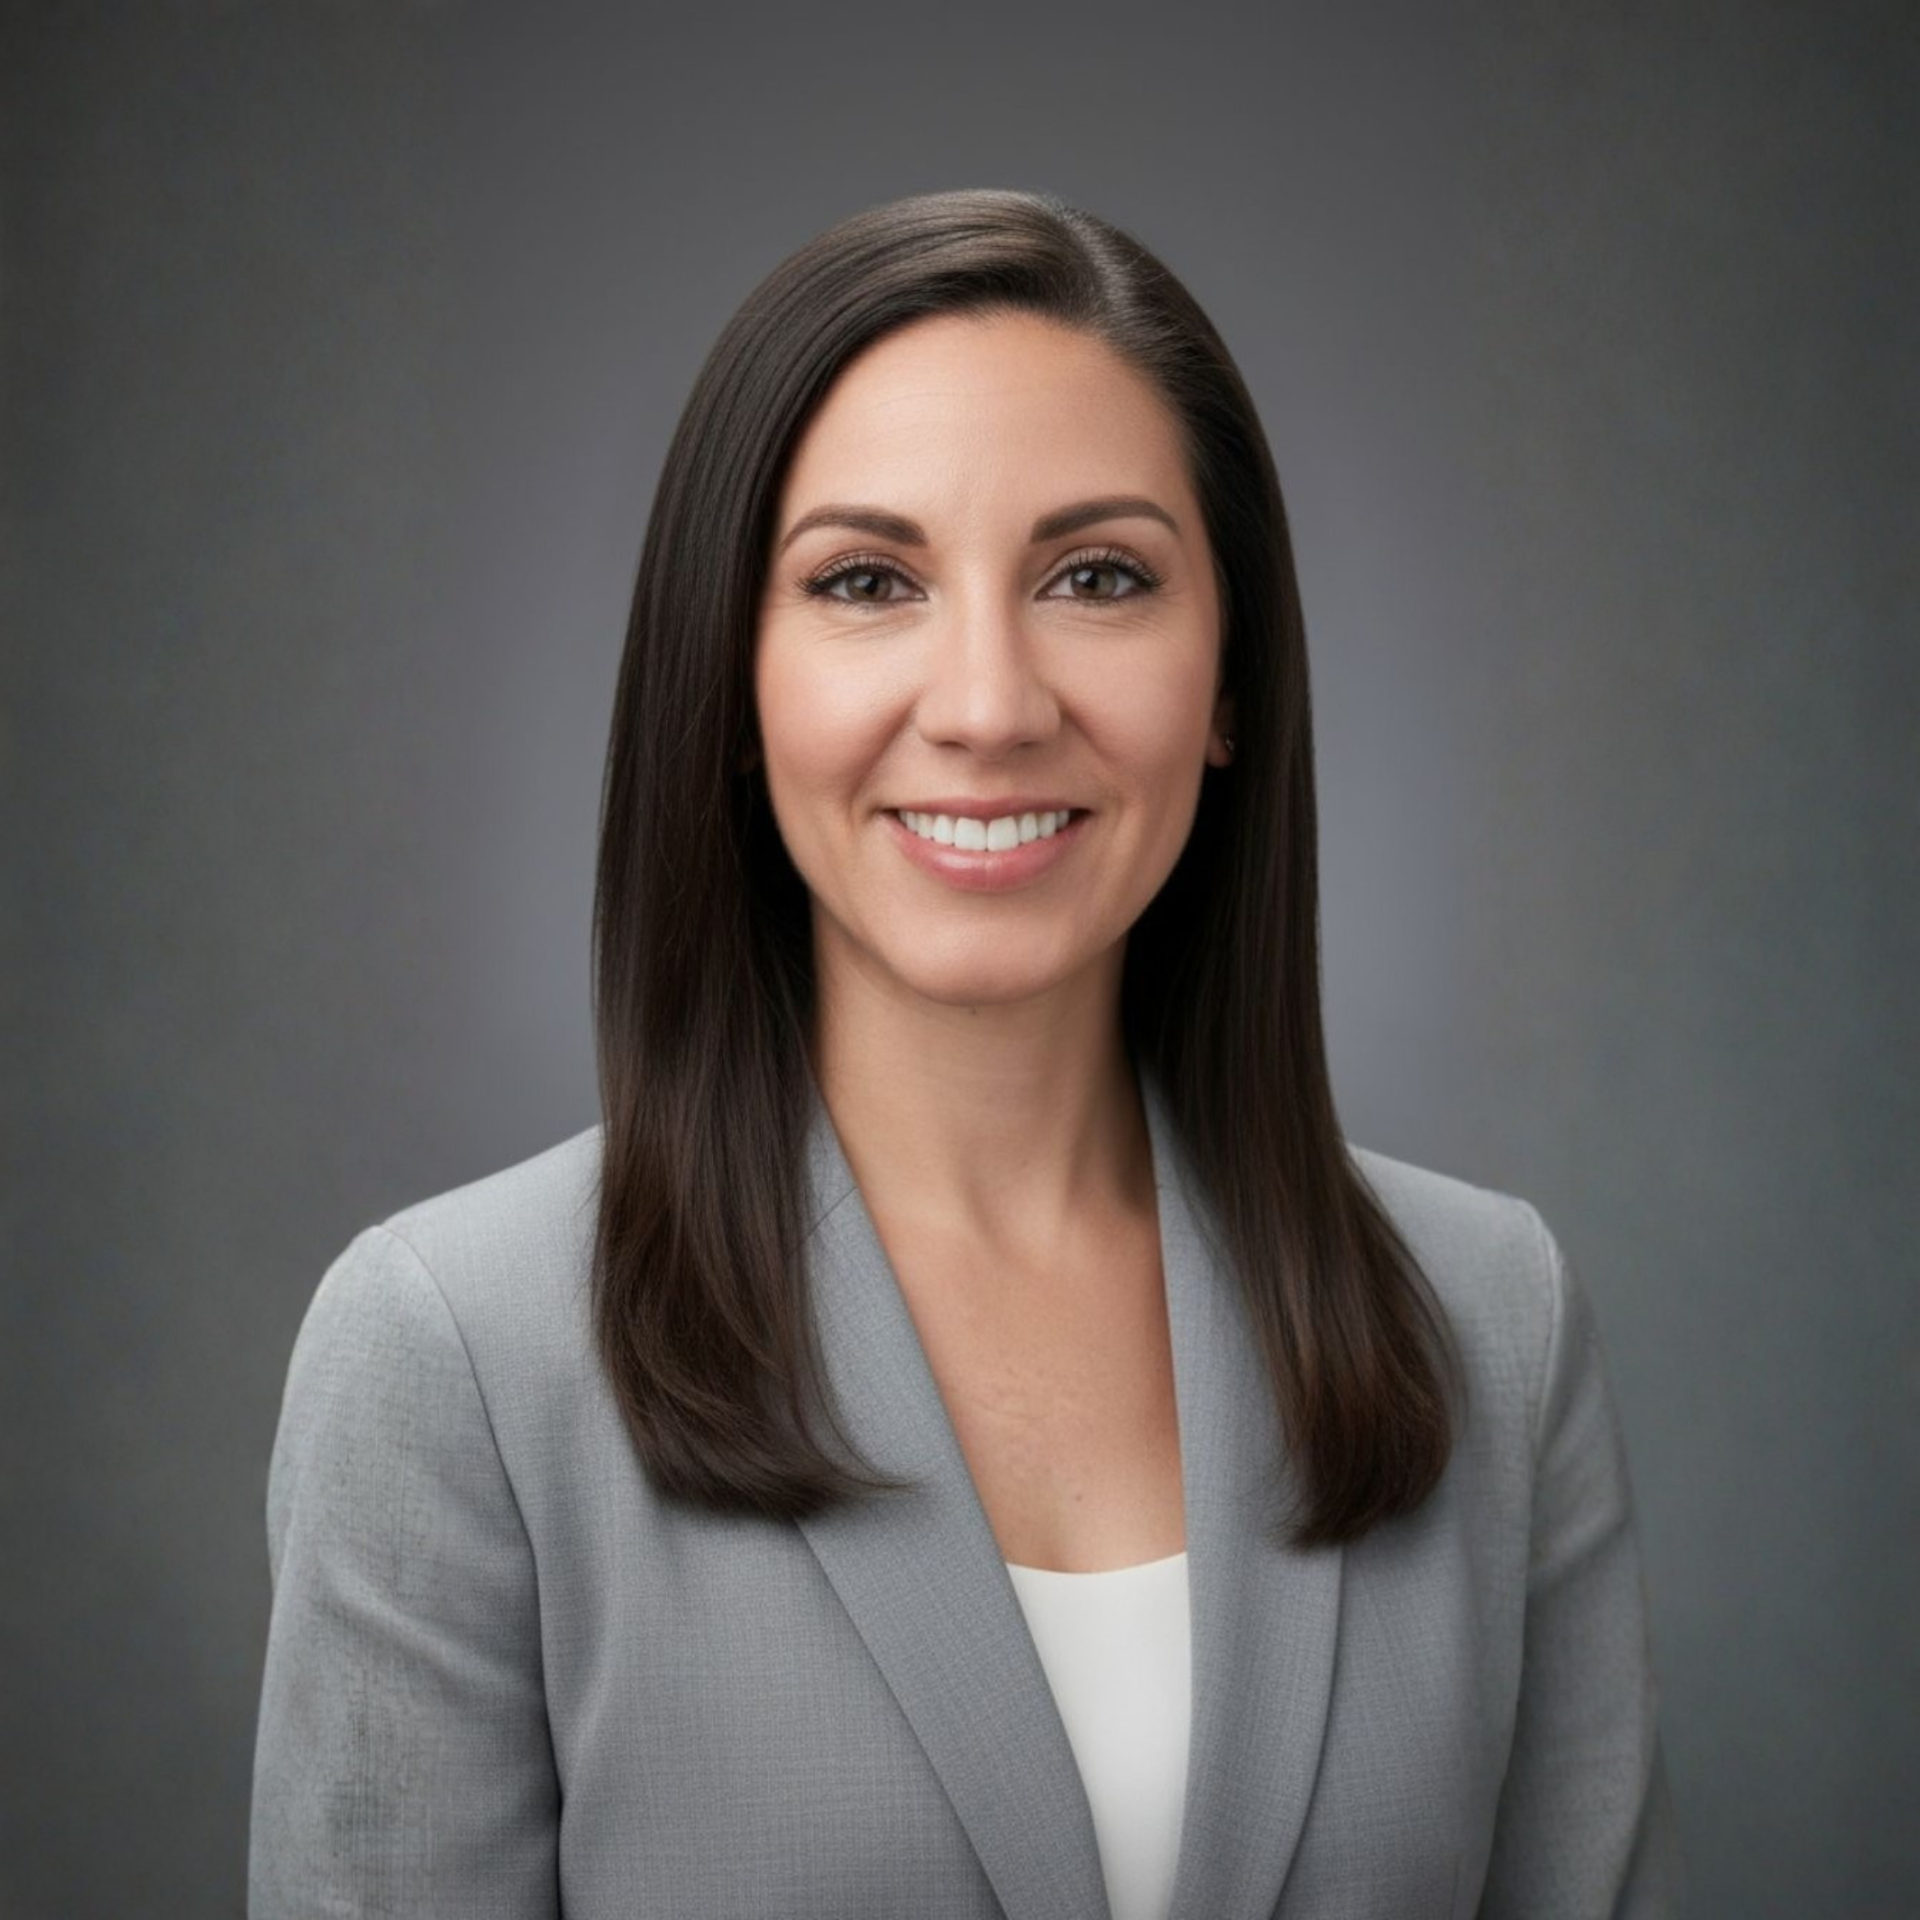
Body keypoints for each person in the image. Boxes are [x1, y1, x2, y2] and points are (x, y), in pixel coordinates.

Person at [248, 187, 1679, 1919]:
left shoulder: (1493, 1328)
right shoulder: (457, 1359)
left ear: (1230, 679)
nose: (990, 705)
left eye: (1099, 576)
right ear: (732, 676)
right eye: (866, 581)